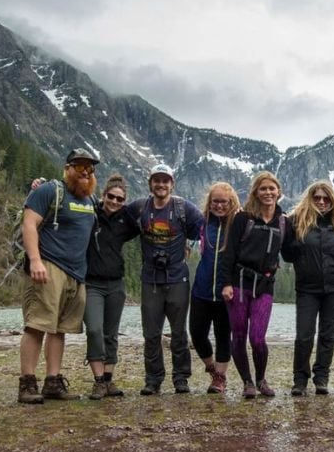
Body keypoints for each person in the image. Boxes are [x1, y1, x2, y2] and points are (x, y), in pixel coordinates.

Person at [17, 148, 99, 404]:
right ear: (68, 168)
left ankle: (53, 382)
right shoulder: (49, 191)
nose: (85, 171)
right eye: (79, 166)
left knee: (60, 328)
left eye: (89, 168)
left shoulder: (90, 200)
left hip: (77, 273)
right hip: (48, 266)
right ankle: (27, 383)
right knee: (36, 325)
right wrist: (35, 261)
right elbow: (29, 224)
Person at [124, 164, 204, 396]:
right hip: (150, 280)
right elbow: (113, 214)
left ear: (172, 183)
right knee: (151, 333)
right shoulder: (140, 208)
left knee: (179, 332)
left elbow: (208, 228)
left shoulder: (183, 208)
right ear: (150, 183)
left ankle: (181, 378)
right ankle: (153, 379)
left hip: (177, 279)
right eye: (157, 180)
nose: (161, 184)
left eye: (165, 180)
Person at [221, 171, 290, 399]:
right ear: (256, 193)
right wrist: (226, 283)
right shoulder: (243, 218)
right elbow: (229, 252)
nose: (268, 192)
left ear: (278, 192)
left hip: (265, 285)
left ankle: (261, 379)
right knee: (239, 336)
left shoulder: (284, 221)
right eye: (263, 189)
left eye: (272, 188)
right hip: (239, 283)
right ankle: (247, 382)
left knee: (258, 338)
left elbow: (291, 252)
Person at [283, 181, 334, 396]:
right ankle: (300, 379)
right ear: (310, 199)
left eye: (325, 198)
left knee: (327, 335)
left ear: (332, 200)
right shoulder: (296, 222)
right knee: (304, 335)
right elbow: (286, 255)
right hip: (307, 288)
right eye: (317, 197)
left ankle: (321, 377)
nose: (321, 201)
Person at [84, 173, 140, 399]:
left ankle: (108, 380)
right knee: (94, 330)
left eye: (120, 199)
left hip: (116, 284)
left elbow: (144, 227)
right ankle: (97, 381)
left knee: (111, 334)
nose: (115, 202)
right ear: (103, 195)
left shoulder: (125, 220)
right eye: (111, 197)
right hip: (92, 284)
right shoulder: (90, 214)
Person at [189, 182, 240, 394]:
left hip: (226, 292)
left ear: (231, 203)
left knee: (222, 336)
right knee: (197, 334)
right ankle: (211, 367)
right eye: (215, 201)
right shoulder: (202, 223)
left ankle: (220, 377)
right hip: (201, 289)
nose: (219, 205)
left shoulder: (238, 224)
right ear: (209, 203)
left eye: (224, 202)